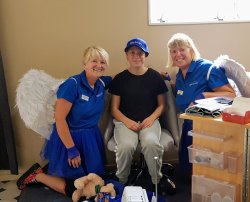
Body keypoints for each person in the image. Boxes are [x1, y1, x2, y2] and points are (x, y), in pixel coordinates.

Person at [16, 46, 112, 198]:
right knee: (74, 188)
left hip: (91, 137)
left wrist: (158, 75)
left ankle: (53, 171)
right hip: (69, 137)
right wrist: (71, 149)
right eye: (94, 61)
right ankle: (36, 175)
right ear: (84, 64)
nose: (99, 65)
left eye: (103, 62)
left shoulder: (102, 83)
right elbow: (59, 119)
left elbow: (123, 77)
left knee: (93, 181)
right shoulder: (71, 85)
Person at [163, 33, 236, 174]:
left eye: (182, 49)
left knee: (204, 170)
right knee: (187, 167)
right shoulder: (179, 73)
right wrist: (167, 81)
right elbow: (183, 92)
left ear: (191, 50)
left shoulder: (207, 68)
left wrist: (203, 96)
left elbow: (230, 95)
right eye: (173, 51)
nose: (178, 54)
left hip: (208, 126)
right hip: (189, 123)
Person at [108, 38, 168, 186]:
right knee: (125, 146)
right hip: (125, 122)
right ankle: (121, 181)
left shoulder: (155, 77)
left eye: (140, 53)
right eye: (132, 52)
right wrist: (127, 122)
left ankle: (156, 180)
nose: (136, 56)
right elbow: (114, 109)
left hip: (149, 121)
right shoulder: (120, 79)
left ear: (145, 55)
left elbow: (162, 105)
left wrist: (151, 118)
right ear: (126, 56)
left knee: (151, 143)